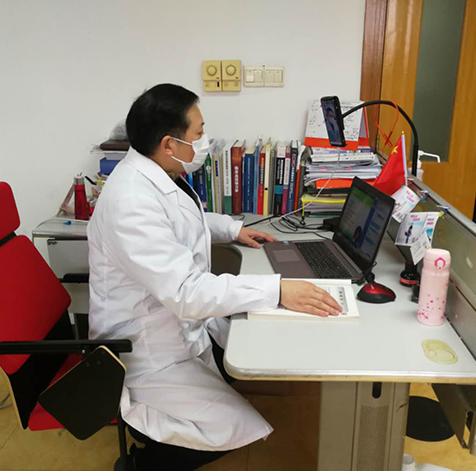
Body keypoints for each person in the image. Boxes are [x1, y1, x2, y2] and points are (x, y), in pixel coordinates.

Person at [87, 84, 342, 471]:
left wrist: (232, 229)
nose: (204, 140)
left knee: (246, 339)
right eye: (199, 132)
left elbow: (179, 221)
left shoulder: (153, 171)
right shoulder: (130, 201)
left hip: (174, 326)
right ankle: (145, 462)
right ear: (169, 144)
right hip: (145, 352)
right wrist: (277, 290)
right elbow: (187, 292)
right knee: (239, 427)